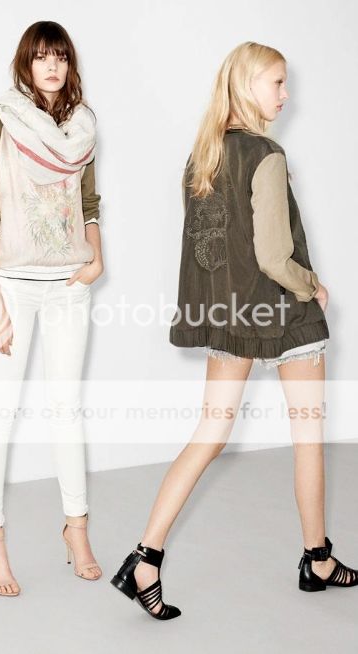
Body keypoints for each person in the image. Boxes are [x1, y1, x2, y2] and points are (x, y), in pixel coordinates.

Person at [111, 41, 357, 620]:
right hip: (286, 314)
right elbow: (272, 255)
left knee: (209, 434)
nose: (286, 94)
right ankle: (317, 560)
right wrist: (312, 286)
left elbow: (210, 254)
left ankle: (144, 559)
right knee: (308, 437)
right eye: (277, 82)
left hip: (231, 315)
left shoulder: (203, 155)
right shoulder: (265, 154)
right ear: (249, 86)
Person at [0, 21, 103, 596]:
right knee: (0, 410)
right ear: (25, 63)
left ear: (70, 65)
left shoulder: (83, 126)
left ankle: (76, 529)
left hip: (70, 282)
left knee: (66, 409)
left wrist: (96, 257)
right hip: (16, 284)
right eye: (41, 56)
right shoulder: (0, 121)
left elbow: (89, 201)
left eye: (60, 57)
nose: (52, 66)